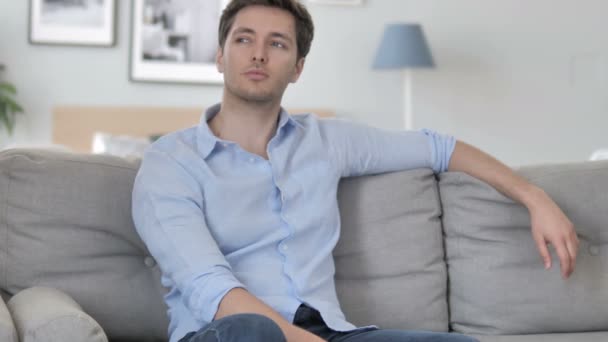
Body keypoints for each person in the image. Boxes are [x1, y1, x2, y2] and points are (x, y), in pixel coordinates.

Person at [131, 1, 579, 341]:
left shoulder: (326, 141)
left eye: (278, 43)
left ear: (298, 68)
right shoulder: (170, 162)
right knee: (256, 332)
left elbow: (437, 147)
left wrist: (534, 197)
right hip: (231, 333)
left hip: (328, 330)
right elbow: (209, 287)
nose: (259, 54)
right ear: (220, 56)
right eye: (244, 39)